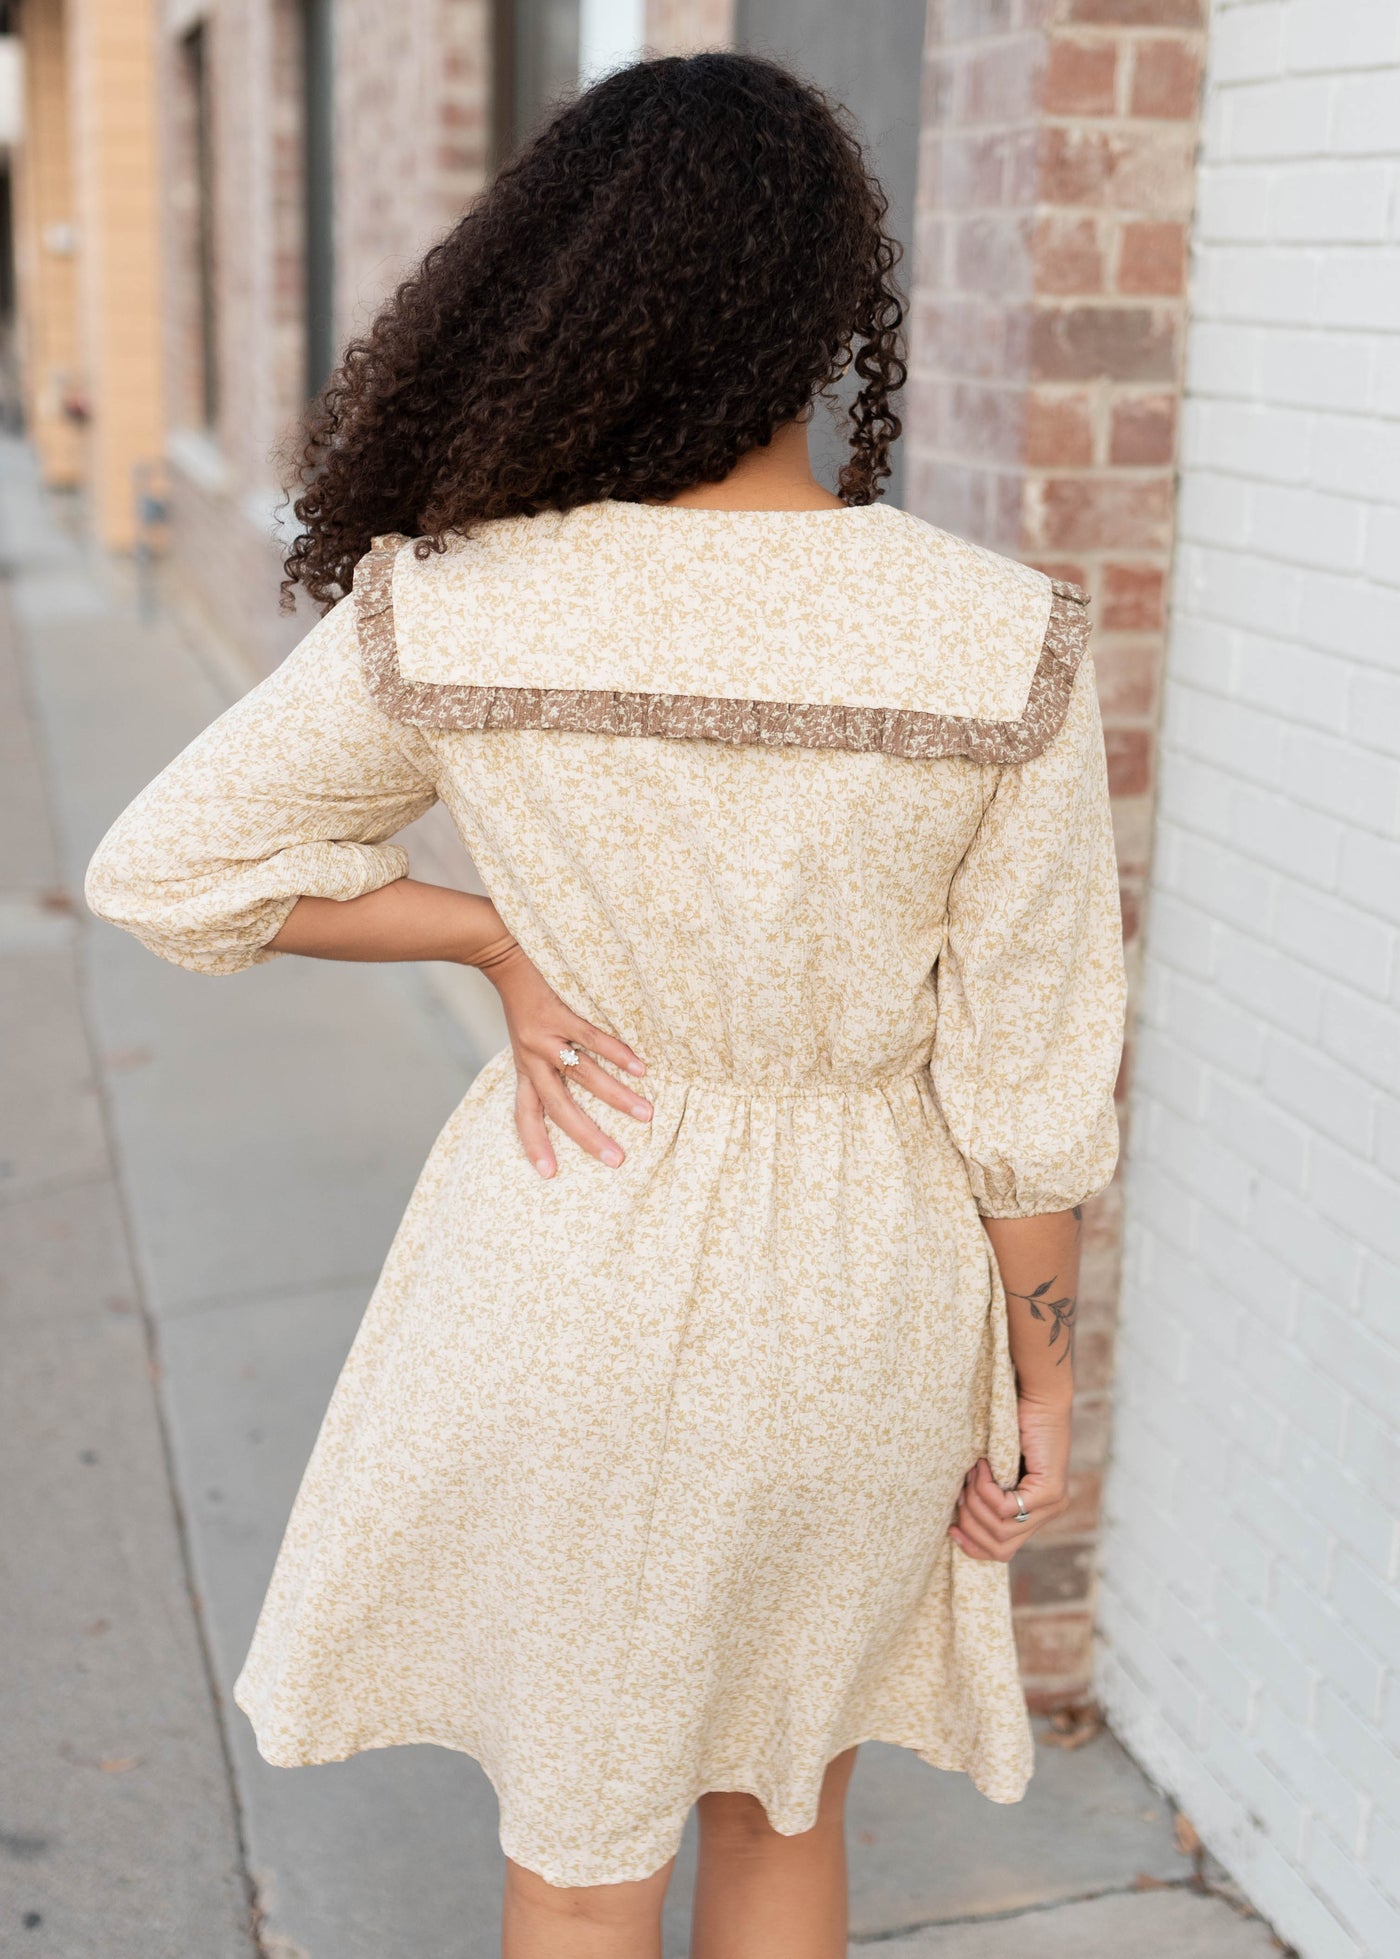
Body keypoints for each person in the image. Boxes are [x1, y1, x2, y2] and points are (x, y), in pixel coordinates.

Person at [86, 51, 1125, 1959]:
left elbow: (169, 867)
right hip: (866, 1294)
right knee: (787, 1803)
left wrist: (488, 938)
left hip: (577, 1240)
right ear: (833, 310)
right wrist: (1046, 1374)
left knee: (580, 1851)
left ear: (567, 292)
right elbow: (1031, 1080)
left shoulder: (461, 605)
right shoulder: (1002, 636)